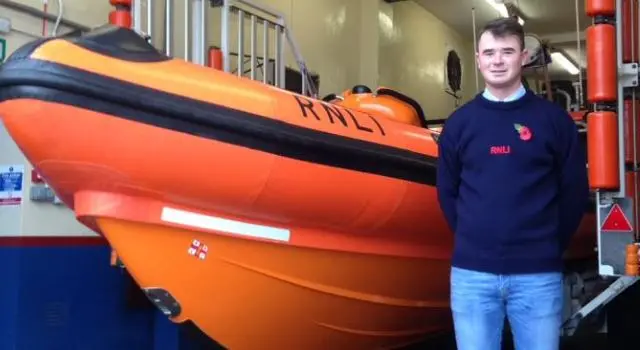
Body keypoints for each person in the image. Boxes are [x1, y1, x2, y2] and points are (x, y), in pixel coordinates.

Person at [435, 17, 590, 350]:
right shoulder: (459, 125)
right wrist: (475, 238)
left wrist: (546, 244)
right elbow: (447, 192)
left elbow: (574, 193)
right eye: (489, 52)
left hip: (537, 275)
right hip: (472, 276)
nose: (497, 60)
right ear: (477, 59)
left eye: (507, 51)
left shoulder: (554, 122)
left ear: (523, 57)